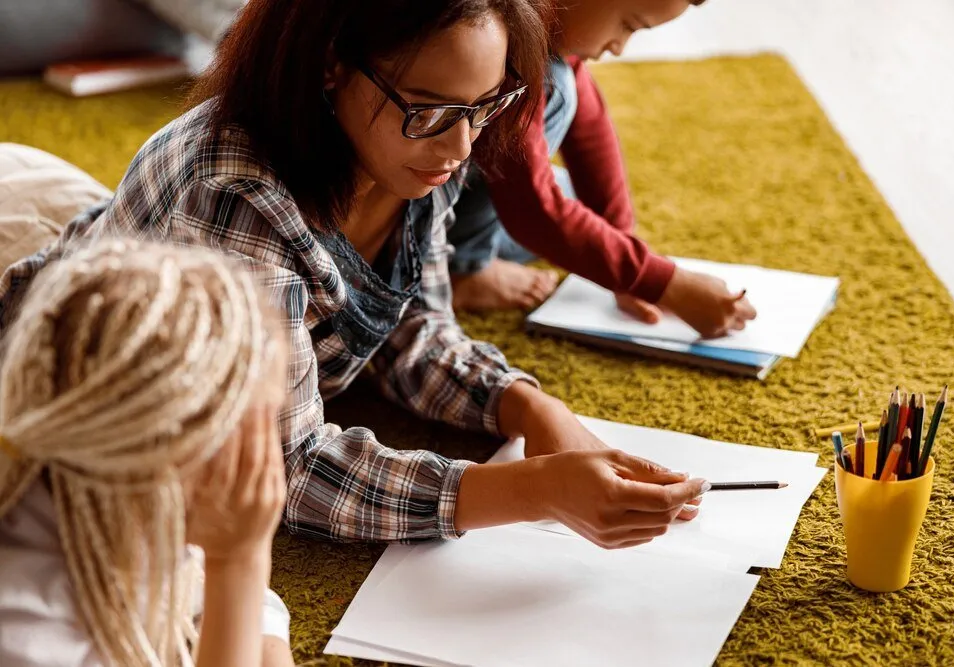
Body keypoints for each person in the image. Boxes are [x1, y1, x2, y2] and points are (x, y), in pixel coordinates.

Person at [0, 0, 708, 551]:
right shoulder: (237, 201)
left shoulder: (417, 147)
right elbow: (286, 473)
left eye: (483, 107)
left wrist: (530, 408)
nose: (462, 146)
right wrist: (524, 491)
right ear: (332, 66)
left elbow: (408, 326)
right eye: (431, 110)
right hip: (74, 361)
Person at [0, 239, 295, 667]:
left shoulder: (108, 495)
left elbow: (199, 586)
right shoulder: (27, 635)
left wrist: (259, 630)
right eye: (252, 432)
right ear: (163, 448)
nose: (267, 458)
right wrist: (240, 562)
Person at [448, 0, 759, 339]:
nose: (620, 47)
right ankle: (462, 267)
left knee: (571, 201)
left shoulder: (539, 24)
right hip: (416, 222)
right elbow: (532, 211)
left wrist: (624, 245)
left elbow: (590, 132)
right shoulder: (501, 42)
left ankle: (468, 249)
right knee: (555, 85)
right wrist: (665, 284)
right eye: (628, 25)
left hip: (474, 202)